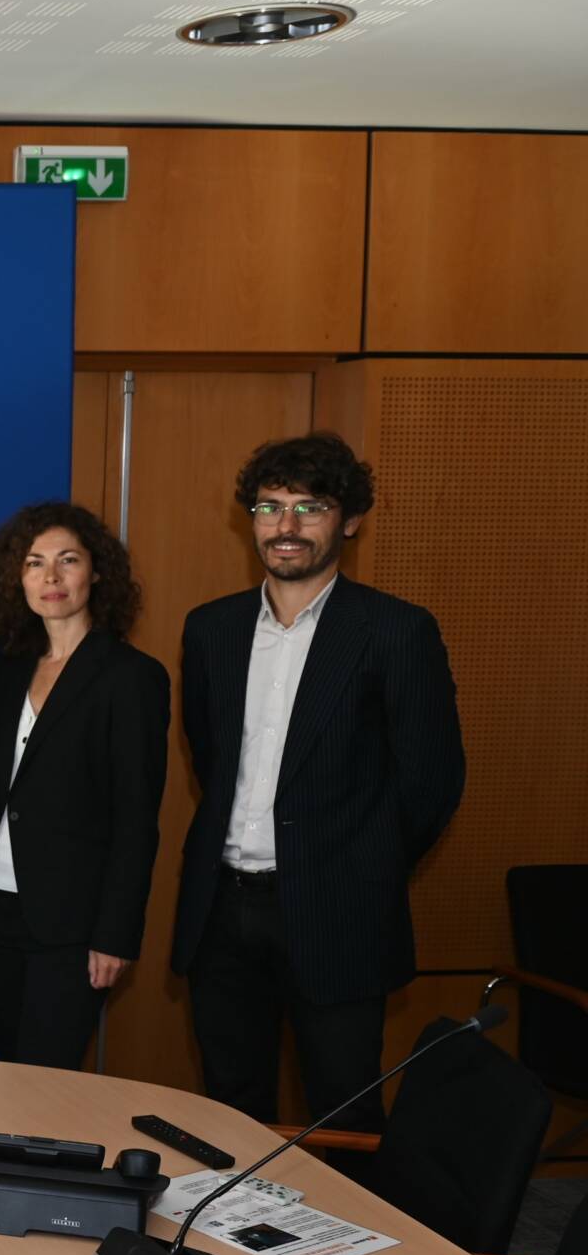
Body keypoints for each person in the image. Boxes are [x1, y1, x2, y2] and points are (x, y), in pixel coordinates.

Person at [171, 433, 463, 1131]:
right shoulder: (211, 629)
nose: (287, 526)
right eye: (269, 507)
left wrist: (360, 865)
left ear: (350, 519)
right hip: (224, 914)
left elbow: (431, 781)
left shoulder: (396, 631)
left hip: (339, 914)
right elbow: (211, 757)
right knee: (230, 1113)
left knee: (346, 1113)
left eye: (310, 506)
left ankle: (356, 1246)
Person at [0, 504, 169, 1070]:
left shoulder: (132, 676)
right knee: (13, 1070)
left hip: (74, 925)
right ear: (16, 578)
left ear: (96, 572)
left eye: (68, 561)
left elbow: (136, 820)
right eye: (35, 563)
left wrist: (116, 934)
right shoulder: (11, 665)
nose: (51, 578)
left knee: (48, 1079)